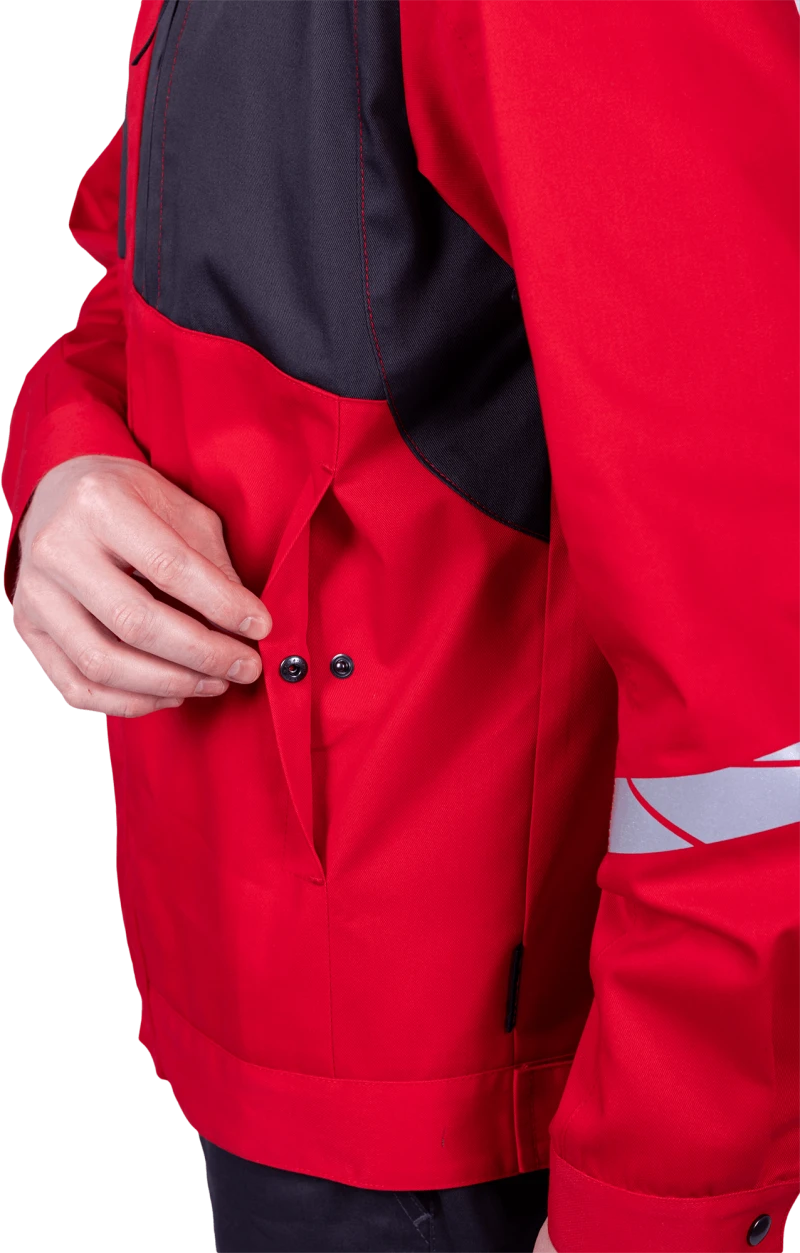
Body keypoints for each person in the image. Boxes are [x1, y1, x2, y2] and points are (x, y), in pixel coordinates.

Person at [3, 2, 798, 1250]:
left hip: (493, 1131)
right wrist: (65, 448)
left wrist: (650, 1211)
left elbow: (755, 673)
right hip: (256, 1021)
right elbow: (146, 256)